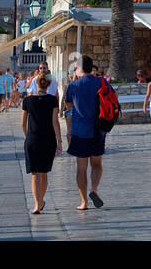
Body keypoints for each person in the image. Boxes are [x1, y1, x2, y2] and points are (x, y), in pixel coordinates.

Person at [63, 55, 106, 210]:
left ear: (80, 68)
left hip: (80, 130)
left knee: (81, 168)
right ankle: (94, 189)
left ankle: (84, 202)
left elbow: (68, 105)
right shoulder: (101, 82)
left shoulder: (74, 85)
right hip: (98, 129)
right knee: (97, 164)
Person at [22, 71, 62, 214]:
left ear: (35, 83)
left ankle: (37, 204)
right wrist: (60, 141)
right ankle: (41, 199)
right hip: (48, 139)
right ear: (49, 84)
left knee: (35, 174)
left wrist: (28, 136)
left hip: (32, 139)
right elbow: (55, 122)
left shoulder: (27, 101)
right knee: (44, 173)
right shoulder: (52, 100)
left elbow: (23, 123)